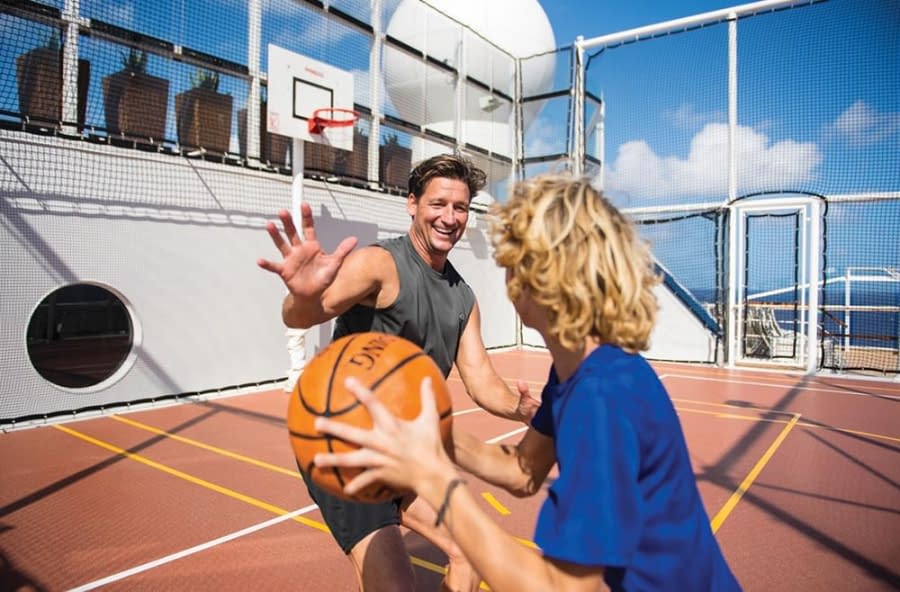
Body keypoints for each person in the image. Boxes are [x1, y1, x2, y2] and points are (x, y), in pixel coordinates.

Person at [313, 174, 743, 591]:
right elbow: (522, 471)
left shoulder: (602, 399)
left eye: (513, 261)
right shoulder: (581, 371)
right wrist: (430, 434)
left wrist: (436, 480)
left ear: (542, 276)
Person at [257, 154, 540, 592]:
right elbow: (304, 314)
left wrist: (521, 408)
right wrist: (303, 297)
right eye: (438, 204)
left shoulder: (462, 297)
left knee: (470, 552)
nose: (449, 217)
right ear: (412, 204)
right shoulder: (379, 264)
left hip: (401, 448)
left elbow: (482, 381)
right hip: (341, 444)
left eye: (460, 207)